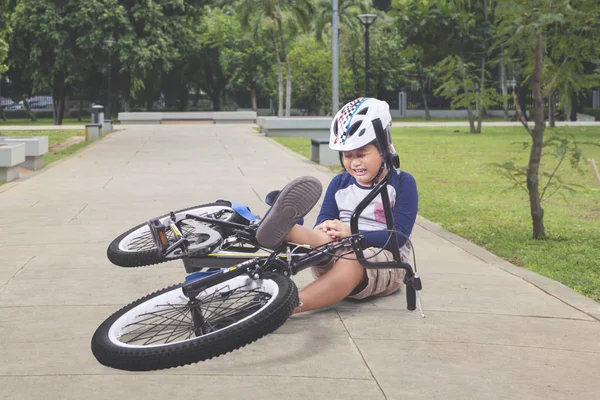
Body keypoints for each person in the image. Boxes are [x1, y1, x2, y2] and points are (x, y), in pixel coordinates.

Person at [255, 97, 418, 314]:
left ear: (385, 149)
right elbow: (325, 219)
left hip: (384, 260)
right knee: (321, 233)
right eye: (348, 156)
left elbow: (398, 237)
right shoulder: (339, 183)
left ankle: (286, 305)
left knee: (354, 257)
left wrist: (352, 233)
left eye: (362, 154)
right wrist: (328, 229)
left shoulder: (402, 183)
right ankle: (287, 229)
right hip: (334, 252)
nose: (355, 162)